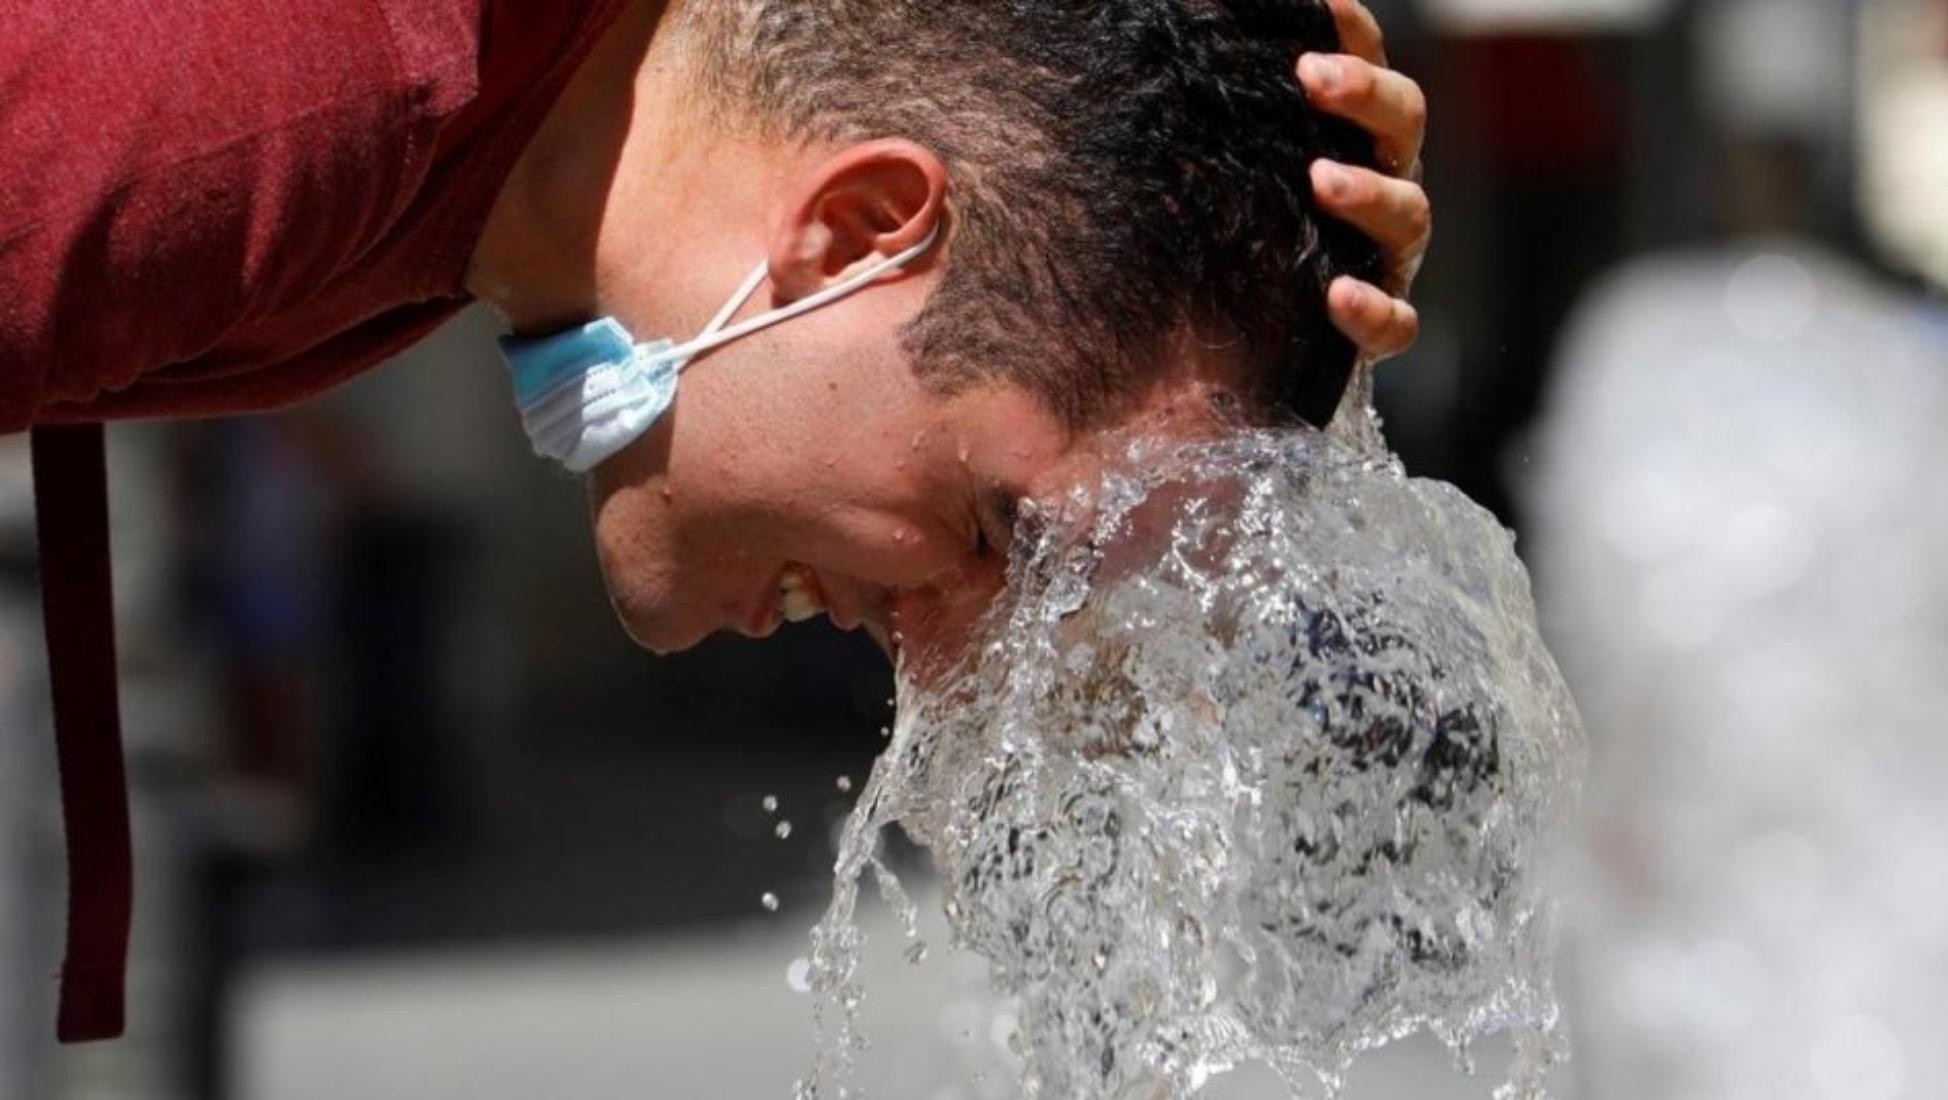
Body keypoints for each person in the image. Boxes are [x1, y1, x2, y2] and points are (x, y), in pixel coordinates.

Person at [2, 0, 1430, 1044]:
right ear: (857, 228)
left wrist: (1236, 215)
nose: (937, 661)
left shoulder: (462, 132)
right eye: (993, 534)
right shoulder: (285, 87)